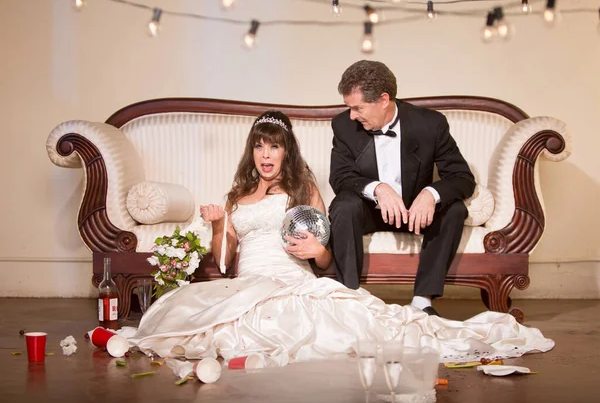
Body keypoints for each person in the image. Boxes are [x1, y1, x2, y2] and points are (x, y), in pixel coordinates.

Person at [124, 110, 553, 366]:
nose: (267, 155)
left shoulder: (302, 188)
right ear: (251, 152)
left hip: (291, 279)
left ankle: (426, 307)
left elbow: (324, 262)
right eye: (260, 147)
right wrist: (219, 224)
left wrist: (319, 251)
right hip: (248, 282)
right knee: (206, 326)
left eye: (275, 147)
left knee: (346, 327)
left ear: (286, 151)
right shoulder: (237, 195)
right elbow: (223, 261)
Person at [329, 60, 475, 317]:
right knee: (343, 205)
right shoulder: (343, 125)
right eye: (349, 108)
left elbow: (462, 178)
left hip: (416, 214)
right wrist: (378, 189)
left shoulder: (430, 124)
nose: (352, 115)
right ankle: (349, 299)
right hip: (371, 212)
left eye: (358, 108)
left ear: (384, 99)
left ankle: (422, 301)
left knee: (455, 210)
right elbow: (340, 178)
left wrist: (430, 194)